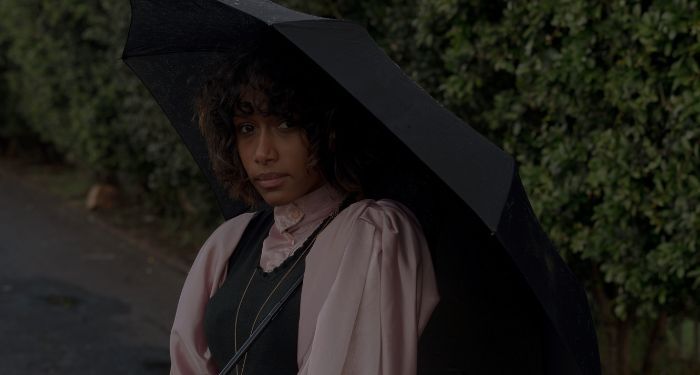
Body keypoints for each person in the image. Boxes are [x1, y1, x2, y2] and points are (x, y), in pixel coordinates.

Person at [169, 37, 439, 375]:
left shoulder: (372, 235)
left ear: (329, 131)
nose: (262, 153)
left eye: (286, 124)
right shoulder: (230, 242)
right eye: (247, 128)